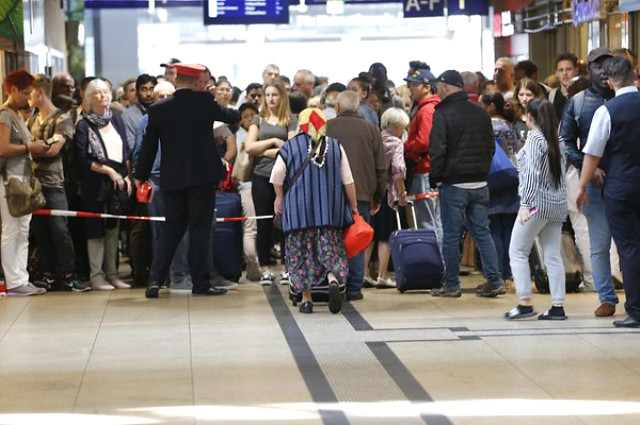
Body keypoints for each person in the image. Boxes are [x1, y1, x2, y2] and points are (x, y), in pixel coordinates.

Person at [135, 64, 240, 298]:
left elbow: (149, 147)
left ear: (177, 79)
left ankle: (155, 280)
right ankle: (200, 284)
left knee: (171, 231)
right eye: (201, 81)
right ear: (194, 82)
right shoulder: (203, 103)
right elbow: (234, 117)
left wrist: (140, 177)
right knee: (200, 230)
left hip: (171, 178)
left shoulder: (158, 108)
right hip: (202, 178)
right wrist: (213, 99)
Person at [271, 108, 358, 314]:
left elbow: (276, 176)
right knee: (329, 250)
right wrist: (353, 205)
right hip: (329, 212)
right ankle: (332, 279)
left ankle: (306, 299)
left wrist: (279, 197)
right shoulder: (336, 147)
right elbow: (348, 180)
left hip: (297, 213)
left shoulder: (290, 147)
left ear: (301, 124)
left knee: (300, 255)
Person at [576, 56, 640, 328]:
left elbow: (592, 153)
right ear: (635, 75)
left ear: (609, 81)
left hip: (621, 186)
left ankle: (636, 311)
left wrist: (582, 186)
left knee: (629, 247)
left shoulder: (607, 111)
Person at [429, 70, 505, 298]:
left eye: (438, 86)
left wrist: (436, 176)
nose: (436, 90)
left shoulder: (442, 113)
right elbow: (491, 148)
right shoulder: (480, 112)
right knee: (482, 232)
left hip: (454, 185)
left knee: (452, 235)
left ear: (446, 86)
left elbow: (438, 150)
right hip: (480, 183)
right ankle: (495, 279)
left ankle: (451, 285)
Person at [560, 47, 619, 317]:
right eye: (598, 66)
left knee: (630, 242)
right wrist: (588, 167)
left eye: (609, 65)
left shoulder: (626, 98)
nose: (604, 70)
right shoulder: (578, 102)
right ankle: (606, 296)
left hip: (626, 181)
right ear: (589, 71)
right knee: (599, 243)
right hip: (594, 183)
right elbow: (566, 142)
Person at [505, 99, 568, 320]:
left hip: (536, 205)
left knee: (517, 251)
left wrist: (525, 204)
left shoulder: (533, 139)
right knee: (552, 255)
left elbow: (531, 176)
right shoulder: (558, 140)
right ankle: (557, 306)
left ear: (530, 117)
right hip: (558, 204)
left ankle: (524, 303)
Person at [27, 74, 88, 292]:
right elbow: (31, 146)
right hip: (33, 184)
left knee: (59, 228)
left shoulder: (62, 118)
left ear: (40, 92)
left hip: (54, 182)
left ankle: (70, 273)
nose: (28, 98)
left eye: (30, 93)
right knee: (41, 230)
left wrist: (34, 146)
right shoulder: (32, 119)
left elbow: (54, 149)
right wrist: (38, 145)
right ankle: (47, 273)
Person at [327, 90, 386, 301]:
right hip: (361, 195)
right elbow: (381, 167)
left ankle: (334, 284)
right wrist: (377, 197)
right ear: (357, 108)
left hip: (329, 196)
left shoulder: (326, 128)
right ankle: (353, 289)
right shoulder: (371, 130)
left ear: (338, 108)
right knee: (356, 241)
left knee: (330, 241)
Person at [74, 79, 132, 291]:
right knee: (95, 230)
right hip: (95, 183)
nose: (102, 96)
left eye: (105, 92)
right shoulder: (83, 125)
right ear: (89, 98)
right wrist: (109, 171)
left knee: (113, 230)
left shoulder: (117, 120)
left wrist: (126, 175)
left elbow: (125, 150)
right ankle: (96, 276)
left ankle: (113, 274)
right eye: (97, 93)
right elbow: (82, 159)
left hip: (117, 182)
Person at [0, 69, 50, 296]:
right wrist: (31, 147)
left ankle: (21, 278)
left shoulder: (17, 114)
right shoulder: (5, 115)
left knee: (22, 229)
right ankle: (14, 281)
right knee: (12, 230)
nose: (28, 98)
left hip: (22, 178)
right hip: (10, 180)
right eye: (26, 93)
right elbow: (2, 148)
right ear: (13, 90)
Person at [244, 81, 297, 286]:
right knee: (263, 223)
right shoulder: (258, 120)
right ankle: (264, 267)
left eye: (275, 94)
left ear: (282, 96)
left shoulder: (290, 120)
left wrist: (262, 150)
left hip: (284, 177)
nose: (271, 98)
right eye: (268, 95)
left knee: (285, 222)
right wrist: (274, 143)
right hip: (261, 176)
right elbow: (249, 147)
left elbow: (291, 148)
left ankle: (286, 267)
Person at [365, 107, 409, 288]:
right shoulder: (396, 143)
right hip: (387, 193)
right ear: (398, 126)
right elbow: (398, 170)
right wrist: (402, 193)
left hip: (369, 192)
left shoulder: (373, 139)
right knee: (385, 236)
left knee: (369, 235)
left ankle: (364, 274)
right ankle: (382, 276)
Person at [480, 92, 520, 285]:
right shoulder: (510, 127)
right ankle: (509, 273)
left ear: (490, 107)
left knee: (493, 228)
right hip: (512, 179)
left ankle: (495, 275)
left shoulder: (484, 127)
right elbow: (515, 152)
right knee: (508, 231)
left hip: (491, 181)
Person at [402, 68, 442, 247]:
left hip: (424, 169)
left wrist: (407, 146)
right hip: (432, 169)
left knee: (427, 221)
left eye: (414, 85)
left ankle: (434, 266)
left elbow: (424, 141)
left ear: (427, 87)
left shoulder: (426, 110)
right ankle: (440, 265)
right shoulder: (434, 107)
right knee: (436, 221)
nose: (410, 88)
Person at [512, 78, 545, 145]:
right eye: (521, 95)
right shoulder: (512, 115)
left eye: (528, 95)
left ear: (536, 96)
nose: (524, 99)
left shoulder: (543, 116)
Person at [548, 53, 579, 120]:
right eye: (561, 70)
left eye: (568, 69)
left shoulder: (582, 96)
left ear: (576, 71)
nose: (564, 73)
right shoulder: (551, 96)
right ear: (556, 73)